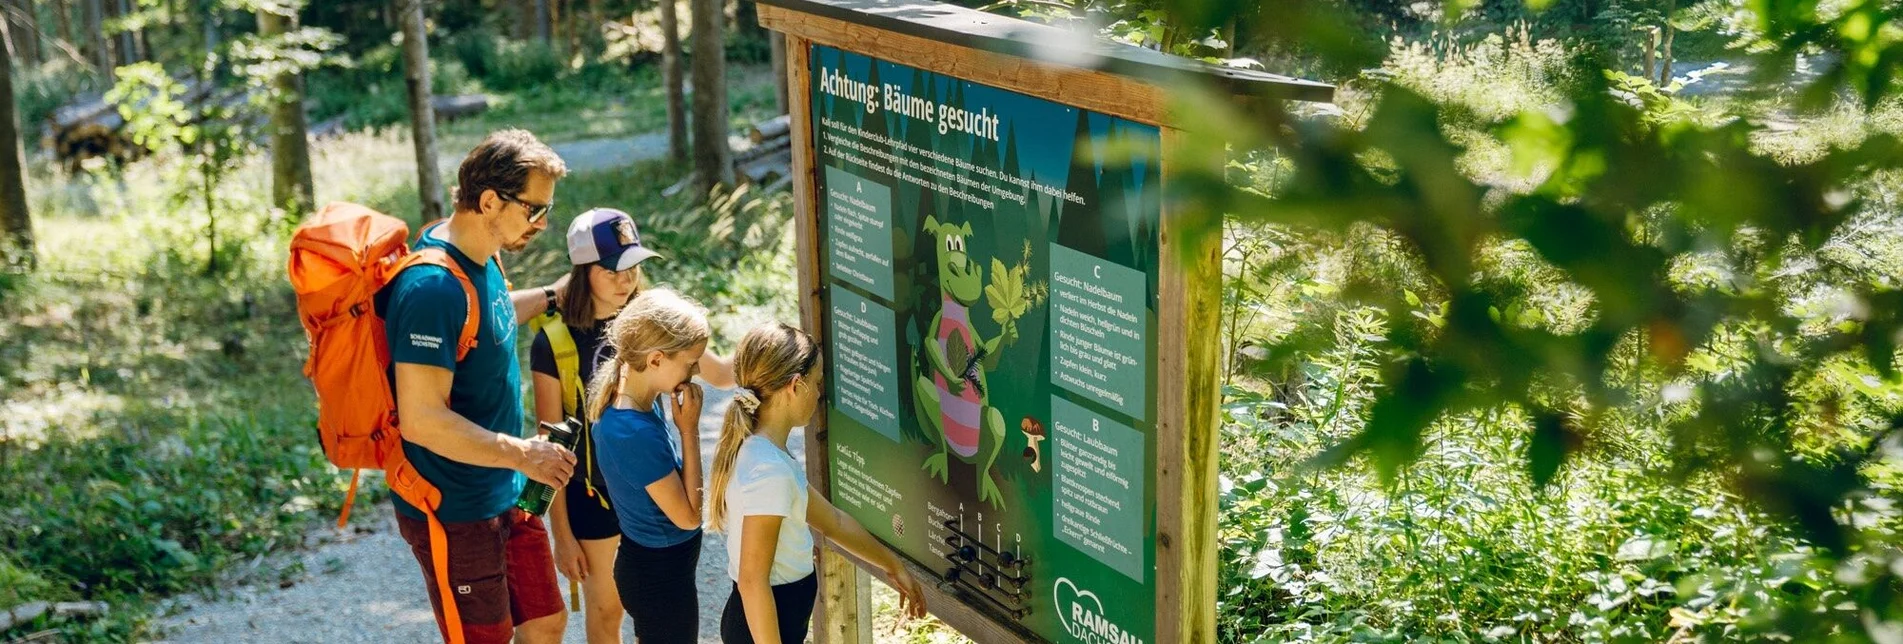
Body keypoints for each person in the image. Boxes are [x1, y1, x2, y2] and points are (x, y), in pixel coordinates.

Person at [379, 129, 578, 644]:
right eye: (535, 210)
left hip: (508, 487)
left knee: (546, 622)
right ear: (490, 200)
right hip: (456, 508)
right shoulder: (431, 288)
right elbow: (422, 420)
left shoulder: (484, 255)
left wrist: (554, 295)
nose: (543, 223)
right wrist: (522, 454)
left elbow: (485, 323)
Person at [529, 208, 734, 643]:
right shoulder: (555, 340)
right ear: (582, 272)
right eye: (613, 270)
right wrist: (561, 535)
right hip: (592, 498)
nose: (627, 280)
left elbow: (718, 372)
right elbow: (552, 441)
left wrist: (774, 358)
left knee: (647, 614)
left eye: (633, 266)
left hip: (649, 492)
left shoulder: (650, 318)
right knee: (606, 612)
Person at [708, 322, 929, 644]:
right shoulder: (768, 472)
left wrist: (892, 565)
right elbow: (752, 580)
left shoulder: (766, 453)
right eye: (816, 382)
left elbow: (833, 521)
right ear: (795, 386)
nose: (819, 392)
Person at [587, 288, 713, 644]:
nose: (697, 370)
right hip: (660, 578)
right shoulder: (632, 432)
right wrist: (689, 430)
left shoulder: (641, 400)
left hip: (658, 569)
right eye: (691, 362)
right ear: (656, 359)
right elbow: (688, 516)